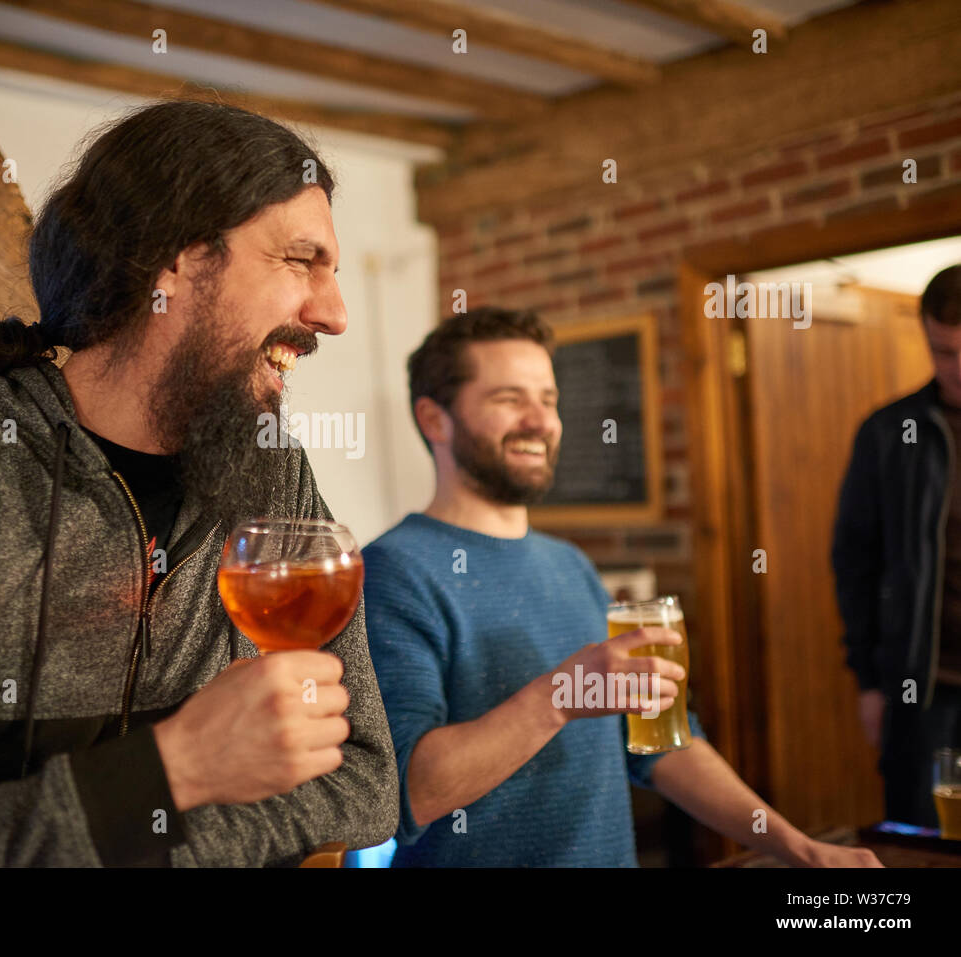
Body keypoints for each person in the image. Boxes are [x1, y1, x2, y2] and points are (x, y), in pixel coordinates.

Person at [0, 101, 398, 866]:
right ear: (176, 260)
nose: (336, 314)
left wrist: (158, 840)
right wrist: (169, 771)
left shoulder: (272, 473)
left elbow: (365, 778)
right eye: (298, 260)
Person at [364, 306, 881, 866]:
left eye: (549, 399)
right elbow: (405, 792)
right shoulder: (392, 571)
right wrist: (560, 697)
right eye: (509, 399)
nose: (540, 421)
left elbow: (659, 742)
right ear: (435, 419)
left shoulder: (571, 566)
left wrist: (800, 849)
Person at [833, 264, 961, 828]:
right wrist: (869, 682)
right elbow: (854, 561)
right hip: (921, 691)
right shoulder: (889, 432)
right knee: (921, 840)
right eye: (945, 352)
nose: (960, 369)